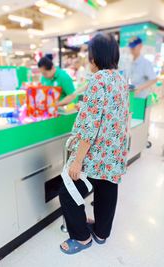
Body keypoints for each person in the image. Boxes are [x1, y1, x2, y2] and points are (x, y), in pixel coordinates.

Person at [59, 33, 129, 255]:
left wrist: (77, 161)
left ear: (95, 56)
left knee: (67, 191)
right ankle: (101, 232)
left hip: (96, 153)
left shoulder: (98, 79)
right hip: (113, 152)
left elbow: (90, 127)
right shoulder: (119, 78)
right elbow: (113, 112)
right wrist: (86, 108)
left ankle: (81, 237)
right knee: (107, 189)